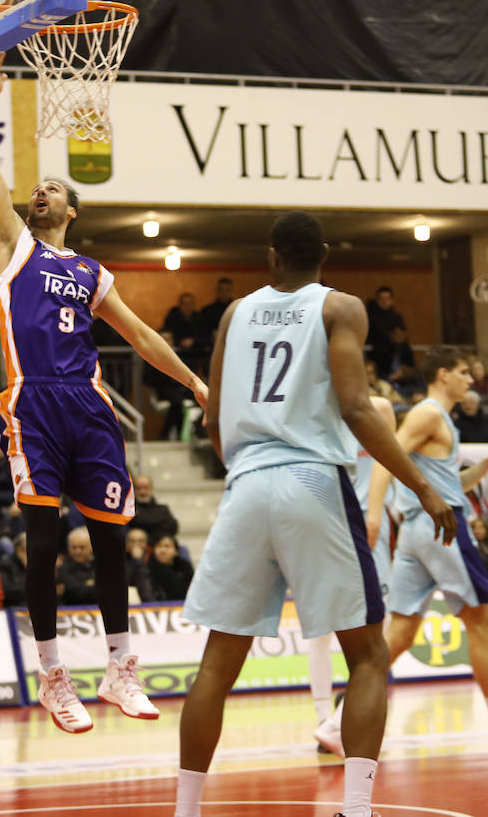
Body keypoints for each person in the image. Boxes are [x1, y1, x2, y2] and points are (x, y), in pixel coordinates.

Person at [174, 211, 455, 817]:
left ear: (271, 256)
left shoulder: (234, 312)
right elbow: (356, 406)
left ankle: (186, 810)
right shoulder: (340, 307)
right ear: (323, 254)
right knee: (369, 657)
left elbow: (214, 417)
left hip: (247, 482)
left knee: (217, 665)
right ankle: (355, 809)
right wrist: (424, 489)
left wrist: (245, 471)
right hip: (312, 480)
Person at [0, 55, 208, 735]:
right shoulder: (11, 245)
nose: (39, 193)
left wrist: (193, 381)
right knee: (42, 543)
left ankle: (119, 668)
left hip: (90, 407)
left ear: (72, 211)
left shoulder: (89, 270)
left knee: (113, 544)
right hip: (34, 404)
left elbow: (137, 334)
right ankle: (53, 676)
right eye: (37, 187)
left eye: (52, 189)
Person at [366, 347, 488, 733]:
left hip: (420, 531)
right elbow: (387, 457)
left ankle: (340, 717)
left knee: (401, 631)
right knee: (482, 622)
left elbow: (450, 485)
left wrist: (483, 468)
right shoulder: (429, 413)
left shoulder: (441, 420)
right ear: (442, 375)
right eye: (464, 372)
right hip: (443, 529)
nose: (471, 380)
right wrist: (373, 513)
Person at [311, 397, 397, 756]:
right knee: (320, 628)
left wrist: (376, 513)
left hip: (370, 523)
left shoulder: (381, 407)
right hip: (327, 521)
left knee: (383, 624)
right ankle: (324, 721)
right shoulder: (316, 405)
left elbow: (387, 462)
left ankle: (345, 713)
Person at [365, 286, 409, 380]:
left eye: (387, 299)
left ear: (392, 300)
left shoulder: (397, 318)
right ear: (377, 300)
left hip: (400, 369)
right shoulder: (371, 319)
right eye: (382, 299)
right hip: (379, 359)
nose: (385, 301)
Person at [129, 474, 179, 543]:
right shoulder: (128, 509)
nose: (142, 492)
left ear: (151, 489)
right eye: (139, 488)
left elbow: (173, 528)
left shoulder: (163, 509)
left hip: (158, 545)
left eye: (146, 488)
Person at [56, 526, 98, 606]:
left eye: (82, 547)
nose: (77, 551)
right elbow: (76, 593)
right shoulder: (63, 568)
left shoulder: (99, 565)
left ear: (91, 547)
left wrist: (87, 585)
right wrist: (94, 585)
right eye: (74, 547)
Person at [147, 534, 193, 601]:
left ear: (176, 551)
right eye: (159, 546)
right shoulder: (147, 569)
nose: (162, 550)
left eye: (167, 546)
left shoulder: (185, 567)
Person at [0, 531, 28, 606]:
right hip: (10, 611)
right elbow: (5, 590)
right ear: (19, 551)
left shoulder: (33, 568)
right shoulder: (3, 565)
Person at [199, 277, 234, 344]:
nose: (224, 293)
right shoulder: (207, 311)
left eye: (227, 290)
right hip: (212, 346)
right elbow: (202, 333)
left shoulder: (236, 309)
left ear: (231, 291)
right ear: (217, 291)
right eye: (222, 290)